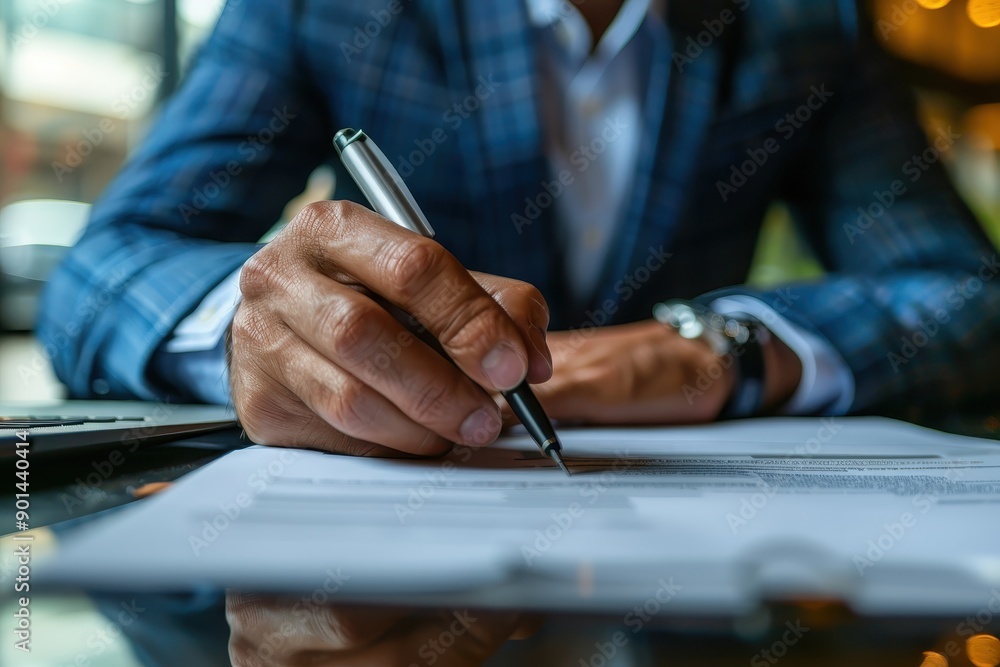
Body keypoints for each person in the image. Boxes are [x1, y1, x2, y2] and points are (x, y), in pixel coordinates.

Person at [37, 0, 1000, 664]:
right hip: (397, 596)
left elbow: (967, 296)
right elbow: (101, 270)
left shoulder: (807, 22)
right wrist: (266, 333)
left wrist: (721, 347)